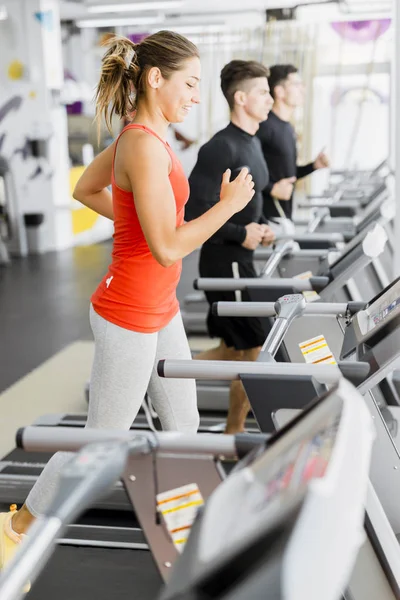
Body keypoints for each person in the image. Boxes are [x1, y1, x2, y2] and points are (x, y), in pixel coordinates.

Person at [0, 31, 256, 574]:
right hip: (129, 312)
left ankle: (192, 532)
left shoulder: (147, 139)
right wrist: (227, 208)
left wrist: (140, 221)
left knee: (184, 426)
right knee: (102, 438)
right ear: (154, 78)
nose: (195, 95)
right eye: (188, 83)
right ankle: (15, 530)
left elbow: (86, 191)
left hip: (157, 306)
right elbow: (167, 246)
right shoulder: (140, 142)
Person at [185, 59, 276, 435]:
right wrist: (241, 233)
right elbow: (195, 209)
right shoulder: (220, 148)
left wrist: (260, 228)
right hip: (226, 262)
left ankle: (161, 379)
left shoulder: (251, 141)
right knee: (254, 350)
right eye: (263, 93)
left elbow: (249, 202)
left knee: (238, 350)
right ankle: (233, 433)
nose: (270, 100)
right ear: (241, 98)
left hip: (242, 259)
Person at [256, 64, 330, 222]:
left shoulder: (288, 127)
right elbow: (243, 170)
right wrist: (272, 188)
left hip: (284, 215)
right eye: (296, 84)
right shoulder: (264, 126)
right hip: (264, 219)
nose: (302, 89)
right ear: (279, 91)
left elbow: (287, 173)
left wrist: (313, 166)